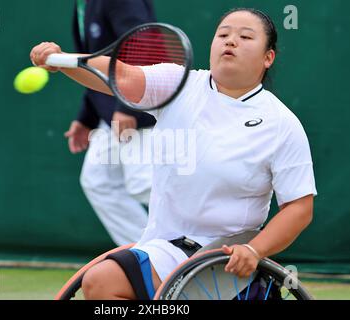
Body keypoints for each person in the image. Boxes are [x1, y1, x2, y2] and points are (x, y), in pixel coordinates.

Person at [31, 8, 318, 300]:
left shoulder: (281, 124)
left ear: (268, 57)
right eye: (223, 35)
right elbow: (125, 76)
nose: (231, 42)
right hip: (165, 248)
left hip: (226, 261)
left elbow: (299, 208)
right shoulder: (180, 84)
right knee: (102, 282)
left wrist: (255, 249)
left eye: (245, 37)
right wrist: (63, 60)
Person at [65, 0, 157, 246]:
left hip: (136, 110)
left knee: (144, 184)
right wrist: (86, 118)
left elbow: (143, 44)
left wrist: (129, 107)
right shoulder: (83, 4)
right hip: (109, 113)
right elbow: (93, 66)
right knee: (99, 181)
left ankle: (205, 244)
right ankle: (147, 256)